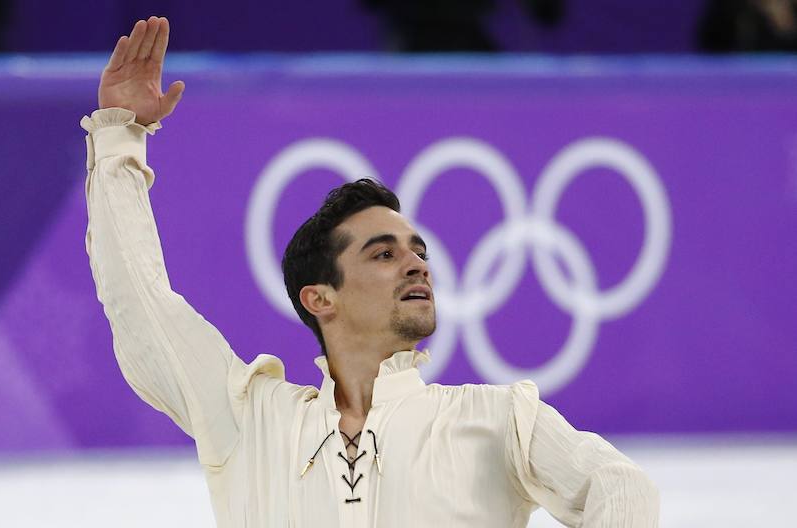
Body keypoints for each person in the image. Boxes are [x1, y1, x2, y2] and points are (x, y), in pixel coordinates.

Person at [83, 16, 660, 527]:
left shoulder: (498, 419)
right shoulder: (249, 419)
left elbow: (618, 486)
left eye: (419, 252)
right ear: (320, 298)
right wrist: (119, 138)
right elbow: (140, 300)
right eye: (383, 254)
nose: (416, 264)